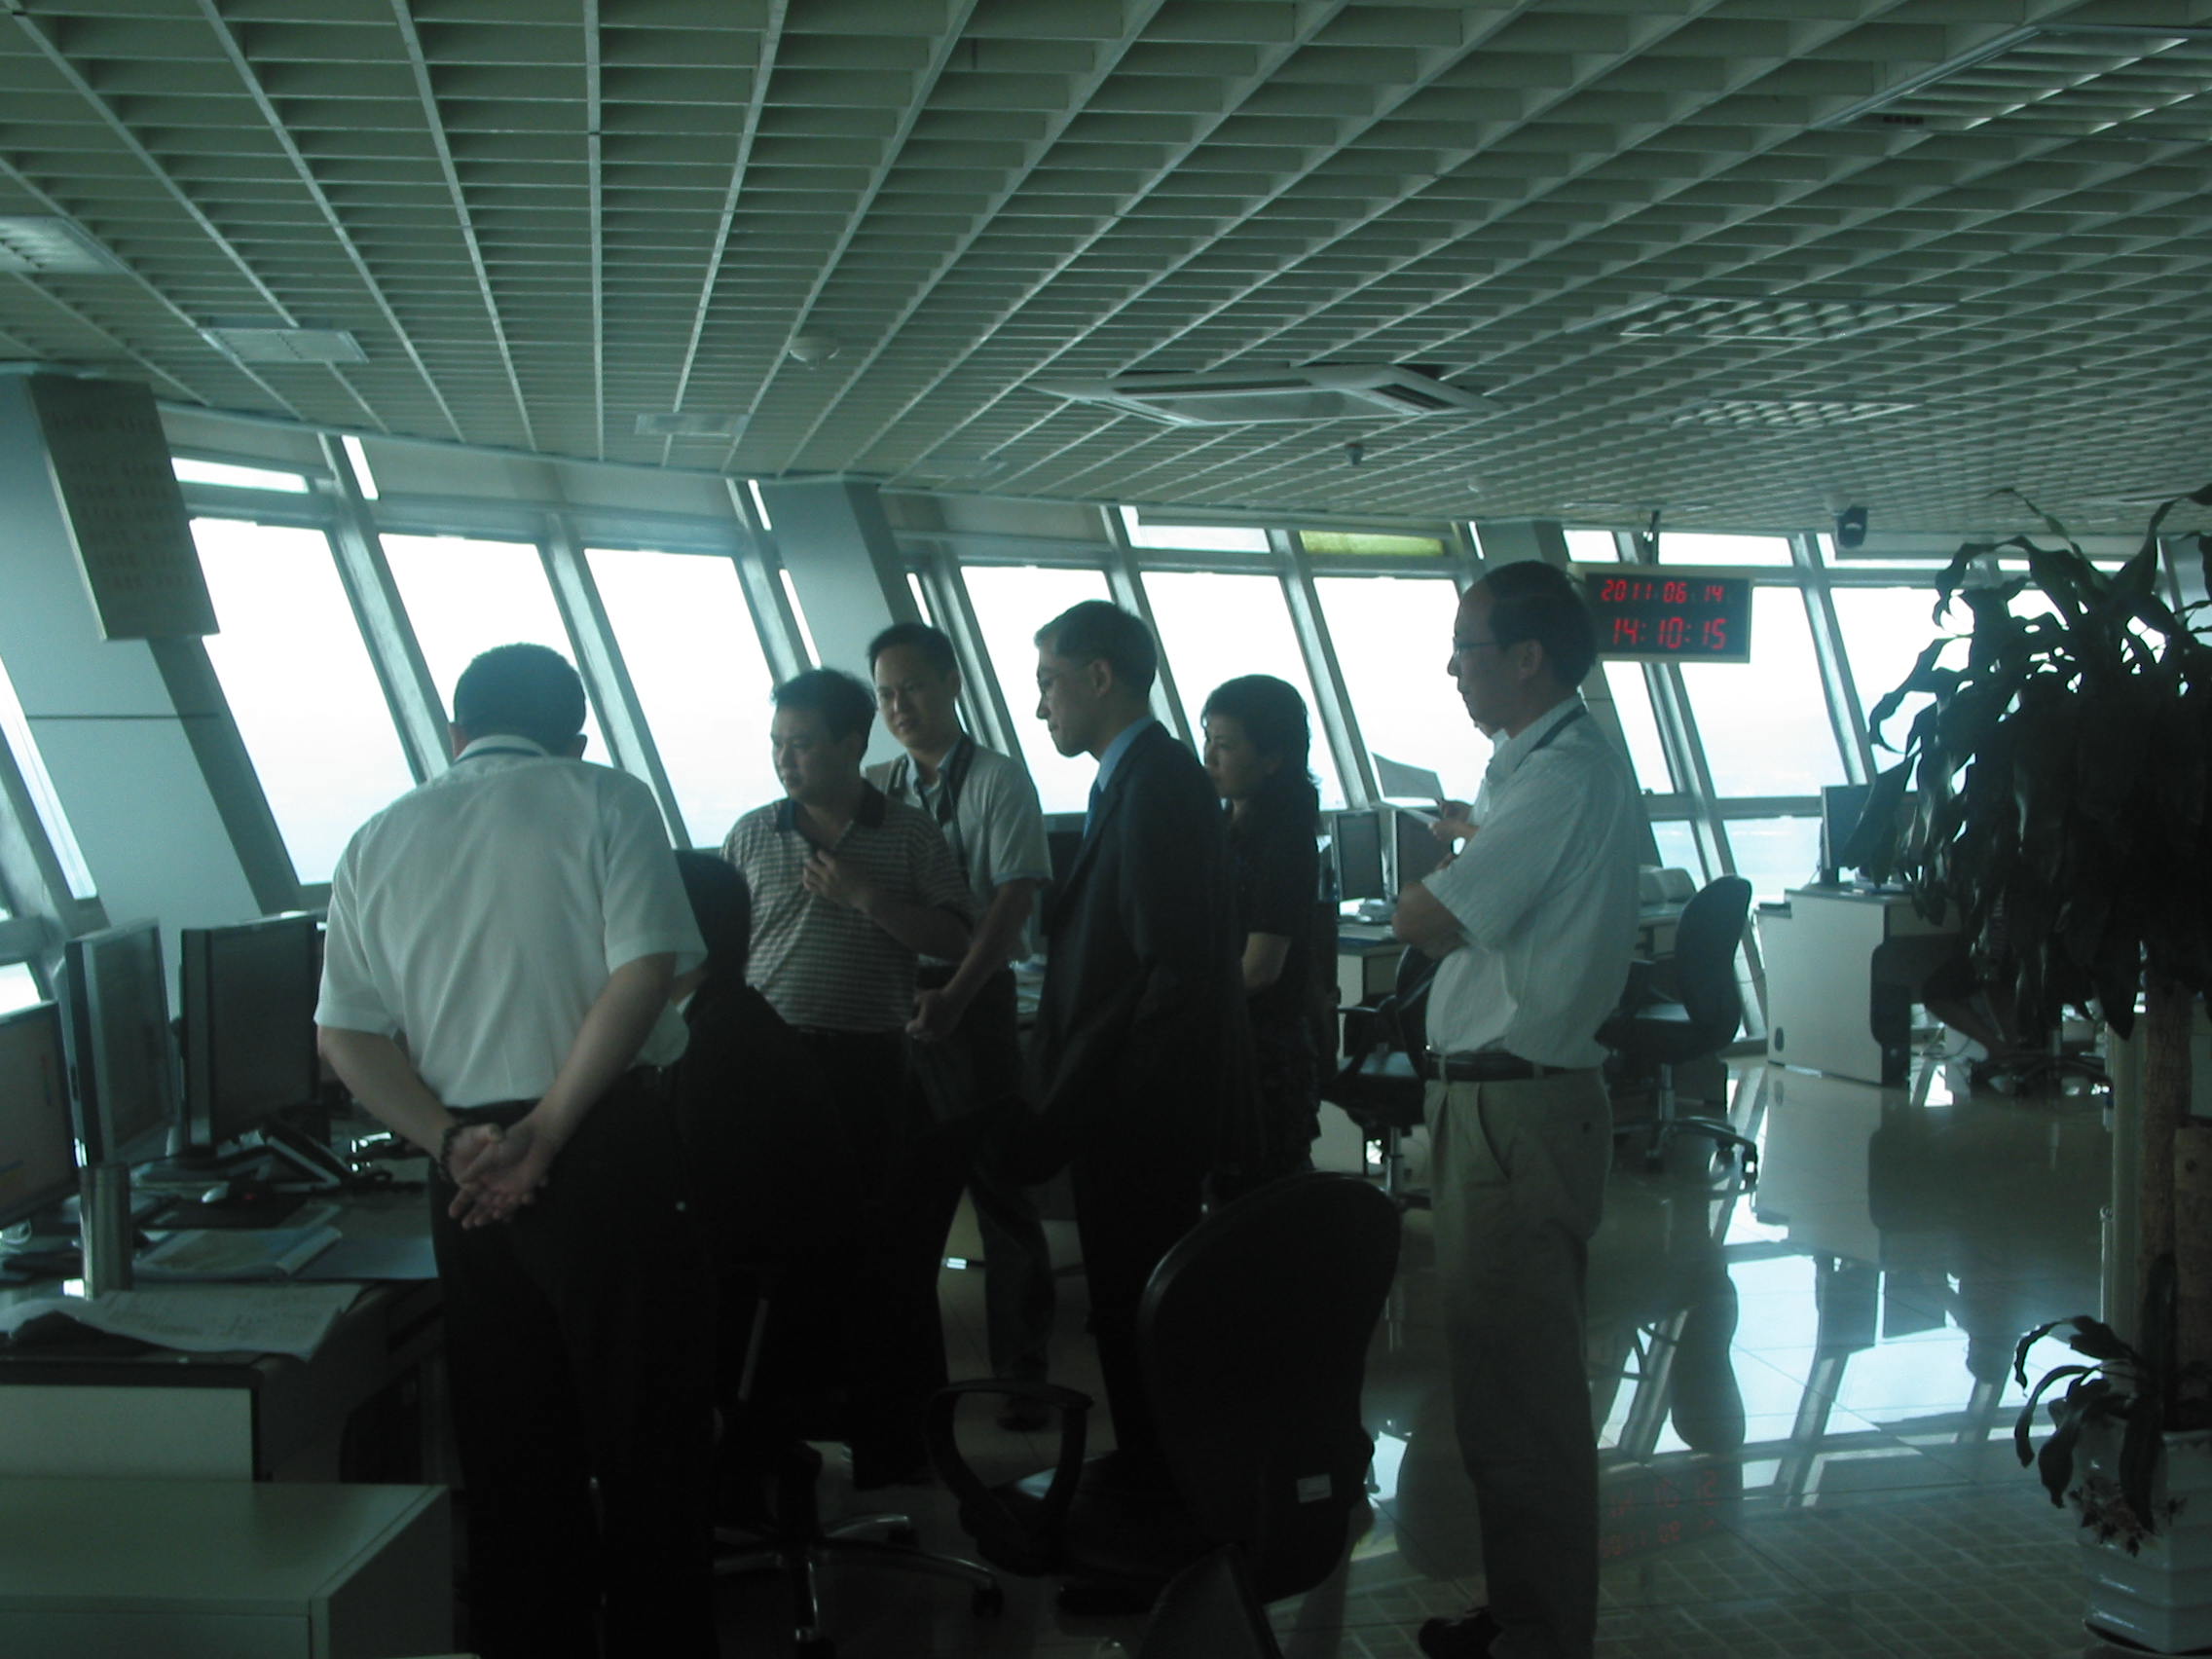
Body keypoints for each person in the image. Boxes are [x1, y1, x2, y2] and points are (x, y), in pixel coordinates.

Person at [314, 643, 717, 1659]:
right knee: (645, 1444)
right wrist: (547, 1134)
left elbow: (347, 1035)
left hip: (466, 1175)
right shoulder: (607, 799)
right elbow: (645, 977)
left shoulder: (376, 838)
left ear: (454, 734)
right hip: (604, 1149)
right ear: (574, 736)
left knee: (510, 1449)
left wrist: (453, 1142)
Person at [1389, 564, 1641, 1659]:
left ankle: (1543, 1635)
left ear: (1528, 658)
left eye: (1468, 647)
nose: (1453, 667)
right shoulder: (1528, 769)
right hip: (1495, 1108)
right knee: (1496, 1389)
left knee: (1525, 1400)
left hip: (1516, 1116)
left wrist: (1437, 871)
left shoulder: (1560, 777)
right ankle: (1522, 1614)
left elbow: (1422, 920)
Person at [719, 666, 975, 1483]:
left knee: (871, 1263)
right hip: (770, 1072)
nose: (785, 762)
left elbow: (955, 940)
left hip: (867, 1070)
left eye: (802, 745)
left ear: (852, 745)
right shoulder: (752, 833)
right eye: (776, 746)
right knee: (774, 1261)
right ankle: (774, 1434)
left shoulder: (906, 835)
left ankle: (887, 1441)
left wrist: (869, 899)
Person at [1026, 600, 1247, 1482]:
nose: (1042, 706)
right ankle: (1152, 1477)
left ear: (1099, 677)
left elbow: (1175, 969)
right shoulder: (1134, 779)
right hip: (1130, 1103)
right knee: (1125, 1305)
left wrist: (1123, 1099)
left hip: (1140, 1111)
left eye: (1049, 683)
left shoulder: (1155, 783)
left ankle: (1163, 1497)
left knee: (1139, 1305)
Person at [866, 621, 1058, 1426]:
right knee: (900, 1206)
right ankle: (910, 1385)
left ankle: (1020, 1376)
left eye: (911, 687)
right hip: (894, 1008)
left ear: (951, 684)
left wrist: (956, 994)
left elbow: (1011, 903)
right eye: (884, 695)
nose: (898, 706)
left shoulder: (998, 782)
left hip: (972, 1005)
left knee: (1001, 1197)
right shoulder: (878, 785)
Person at [1201, 673, 1324, 1182]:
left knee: (1262, 1210)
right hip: (1228, 1043)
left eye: (1225, 746)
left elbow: (1260, 969)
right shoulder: (1222, 828)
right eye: (1207, 740)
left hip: (1264, 1059)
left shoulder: (1286, 840)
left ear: (1273, 758)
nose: (1208, 758)